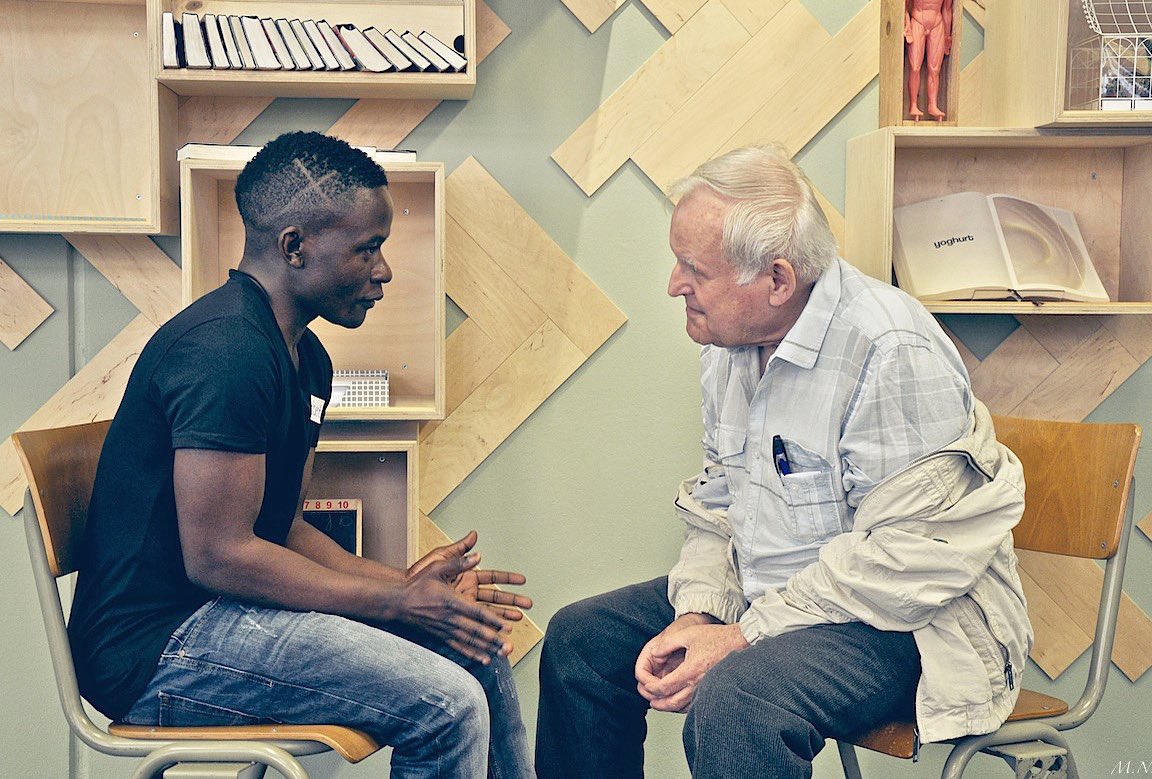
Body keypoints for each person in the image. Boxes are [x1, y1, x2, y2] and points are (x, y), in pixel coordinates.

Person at [535, 145, 1031, 779]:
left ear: (776, 279)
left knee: (738, 698)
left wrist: (741, 636)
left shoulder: (891, 348)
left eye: (693, 268)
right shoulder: (730, 345)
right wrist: (700, 611)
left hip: (907, 620)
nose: (673, 285)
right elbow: (720, 506)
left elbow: (911, 559)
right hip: (777, 596)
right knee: (582, 642)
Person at [68, 131, 533, 779]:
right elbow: (219, 556)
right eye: (367, 247)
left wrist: (407, 588)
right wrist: (395, 604)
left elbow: (279, 527)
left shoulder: (304, 356)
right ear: (295, 246)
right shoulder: (225, 352)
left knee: (473, 653)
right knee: (444, 701)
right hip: (155, 648)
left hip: (225, 615)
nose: (385, 270)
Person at [905, 0, 953, 120]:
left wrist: (947, 35)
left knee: (935, 69)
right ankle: (914, 104)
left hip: (937, 23)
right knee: (915, 66)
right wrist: (907, 25)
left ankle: (933, 104)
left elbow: (947, 9)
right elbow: (903, 7)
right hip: (917, 21)